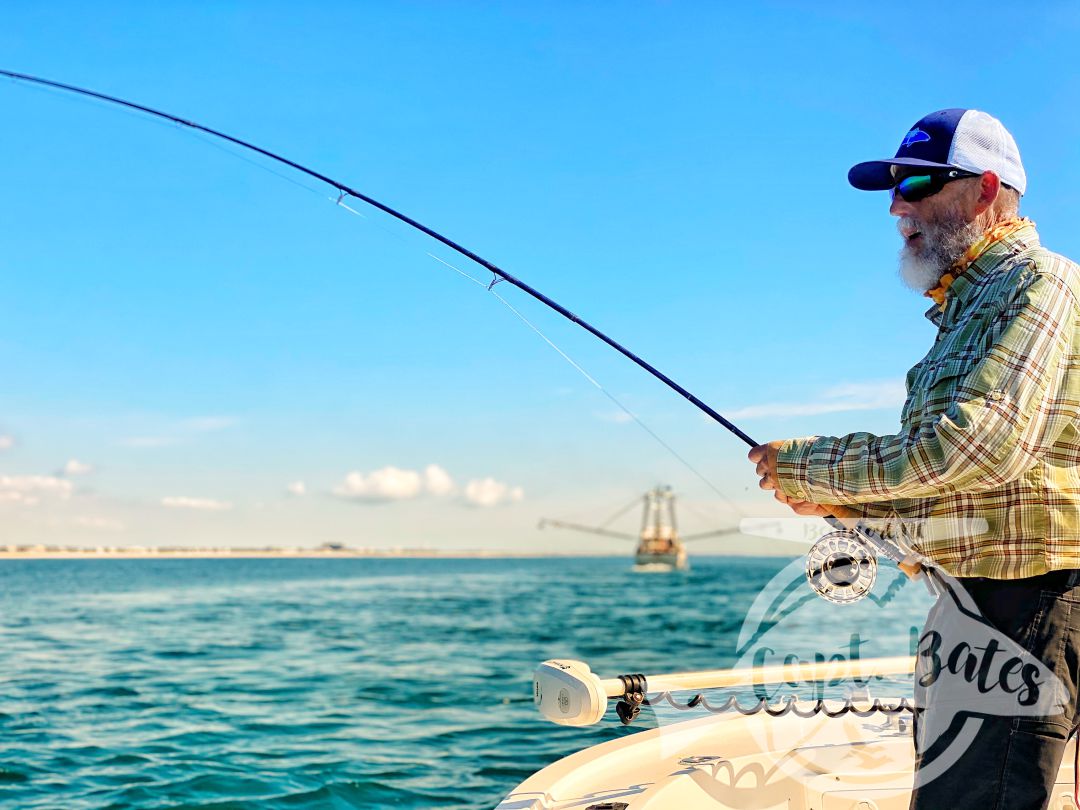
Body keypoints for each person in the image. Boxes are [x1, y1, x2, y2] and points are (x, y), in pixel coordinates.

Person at [747, 109, 1080, 809]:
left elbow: (976, 447)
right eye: (892, 190)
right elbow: (981, 491)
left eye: (920, 183)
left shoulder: (1038, 284)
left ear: (987, 191)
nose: (899, 206)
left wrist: (810, 466)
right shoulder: (970, 308)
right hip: (992, 605)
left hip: (1023, 605)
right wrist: (851, 505)